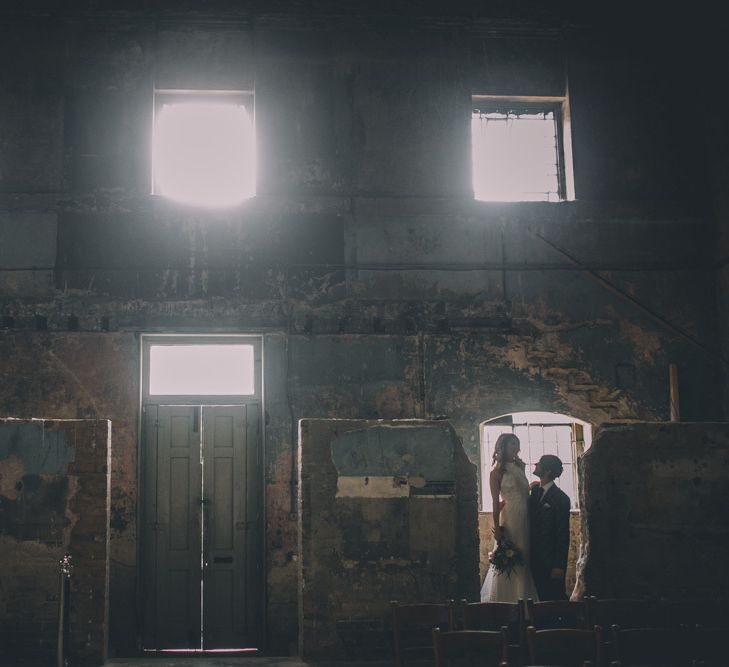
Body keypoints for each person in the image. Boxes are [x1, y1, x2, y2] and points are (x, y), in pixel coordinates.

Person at [480, 433, 539, 602]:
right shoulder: (496, 473)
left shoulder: (521, 466)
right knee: (511, 557)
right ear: (503, 447)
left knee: (524, 557)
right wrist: (497, 528)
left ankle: (524, 600)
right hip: (510, 517)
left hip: (525, 517)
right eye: (512, 444)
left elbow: (523, 491)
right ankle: (505, 602)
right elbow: (494, 502)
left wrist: (533, 486)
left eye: (517, 444)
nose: (516, 447)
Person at [529, 454, 571, 601]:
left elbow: (562, 534)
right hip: (532, 559)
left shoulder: (561, 499)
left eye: (539, 463)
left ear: (547, 471)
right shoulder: (534, 492)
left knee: (553, 599)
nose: (536, 464)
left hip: (550, 561)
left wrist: (558, 566)